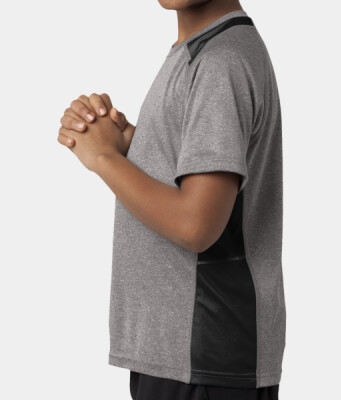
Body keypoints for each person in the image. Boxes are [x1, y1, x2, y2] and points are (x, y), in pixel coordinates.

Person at [58, 1, 286, 399]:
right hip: (188, 355)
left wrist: (104, 157)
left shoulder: (219, 62)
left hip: (202, 357)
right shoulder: (200, 51)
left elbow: (195, 224)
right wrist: (134, 145)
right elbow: (198, 182)